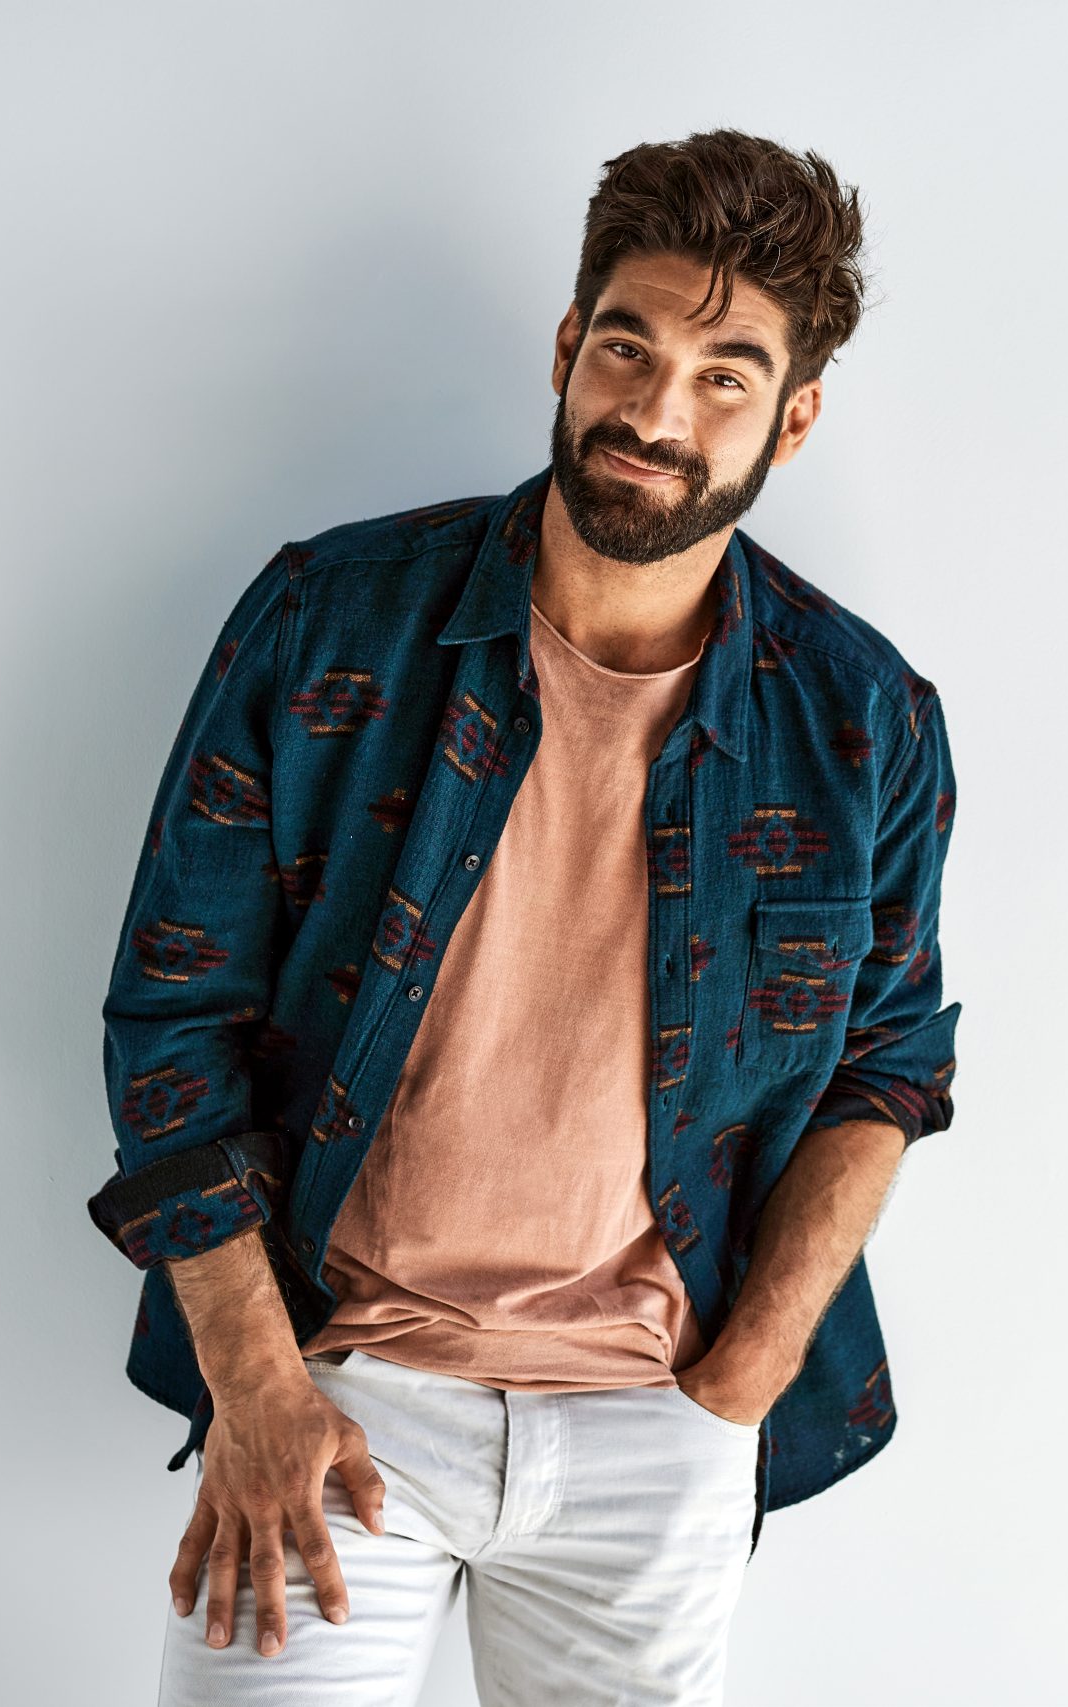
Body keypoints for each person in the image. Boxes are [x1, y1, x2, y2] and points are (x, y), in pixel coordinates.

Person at [87, 127, 963, 1705]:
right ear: (569, 346)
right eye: (628, 346)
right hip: (340, 1392)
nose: (654, 411)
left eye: (723, 375)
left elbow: (886, 1070)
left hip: (657, 1426)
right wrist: (256, 1385)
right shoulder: (329, 621)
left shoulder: (860, 722)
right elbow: (173, 1013)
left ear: (795, 416)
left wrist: (737, 1391)